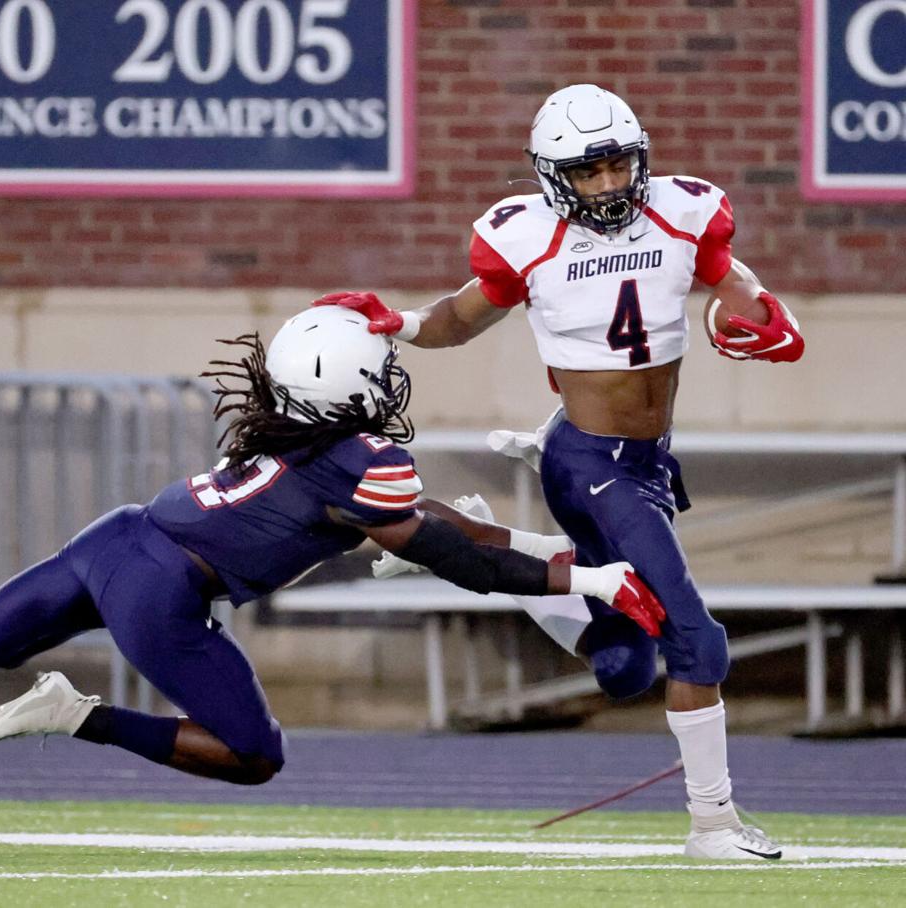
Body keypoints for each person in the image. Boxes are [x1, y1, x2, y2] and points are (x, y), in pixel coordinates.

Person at [0, 305, 665, 791]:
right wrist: (576, 572)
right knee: (254, 756)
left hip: (116, 539)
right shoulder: (360, 464)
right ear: (349, 393)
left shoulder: (275, 434)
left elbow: (324, 523)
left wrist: (445, 547)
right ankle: (75, 716)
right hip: (161, 593)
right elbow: (453, 550)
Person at [314, 84, 805, 860]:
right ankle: (713, 827)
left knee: (623, 664)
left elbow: (729, 277)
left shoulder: (682, 210)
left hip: (646, 462)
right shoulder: (528, 238)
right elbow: (458, 319)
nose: (609, 185)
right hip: (587, 462)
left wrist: (762, 314)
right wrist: (396, 322)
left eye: (618, 165)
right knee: (696, 641)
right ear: (551, 175)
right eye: (588, 172)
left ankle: (496, 552)